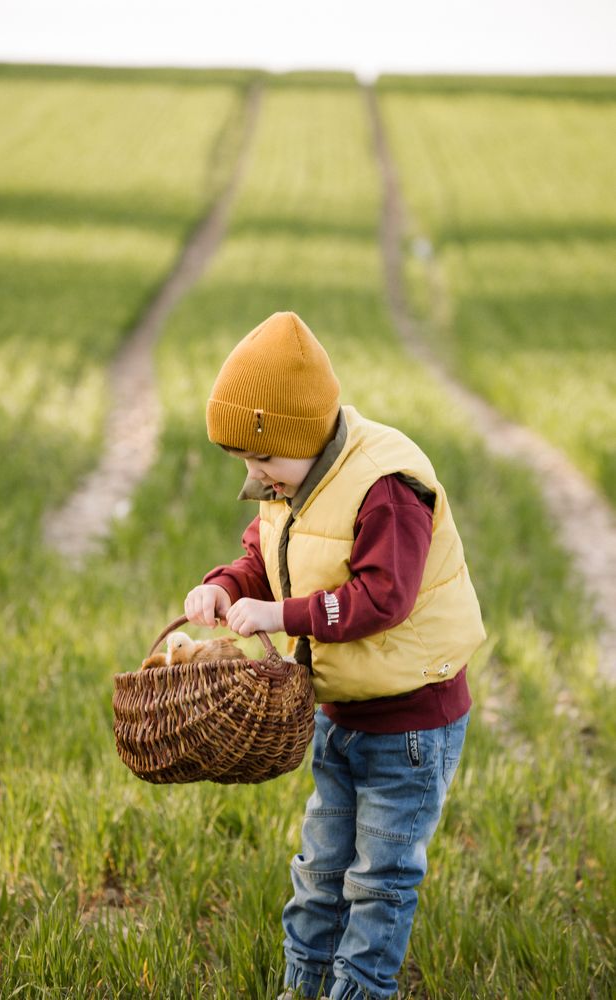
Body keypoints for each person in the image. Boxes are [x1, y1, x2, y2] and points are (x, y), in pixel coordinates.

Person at [184, 311, 486, 1000]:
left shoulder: (386, 487)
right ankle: (304, 982)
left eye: (262, 460)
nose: (256, 477)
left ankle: (359, 989)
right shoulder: (289, 480)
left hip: (411, 721)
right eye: (245, 463)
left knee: (380, 877)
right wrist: (225, 587)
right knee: (321, 866)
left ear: (299, 435)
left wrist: (283, 616)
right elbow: (266, 558)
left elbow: (383, 598)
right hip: (342, 713)